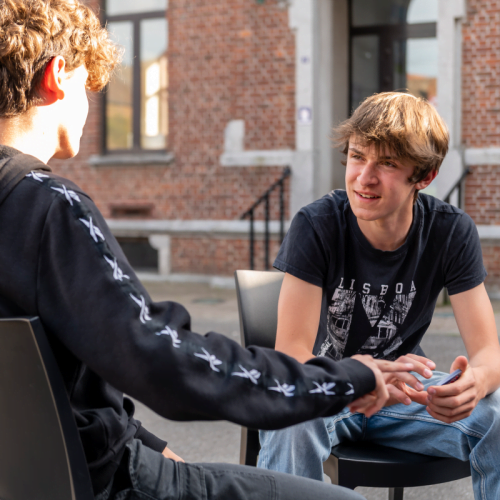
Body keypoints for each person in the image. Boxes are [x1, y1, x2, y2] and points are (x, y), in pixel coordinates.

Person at [0, 1, 418, 499]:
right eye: (88, 88)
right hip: (103, 486)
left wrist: (147, 441)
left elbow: (64, 388)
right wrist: (347, 376)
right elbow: (164, 361)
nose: (91, 108)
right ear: (56, 76)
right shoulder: (49, 207)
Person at [257, 92, 500, 500]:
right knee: (291, 417)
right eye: (357, 156)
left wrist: (473, 384)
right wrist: (361, 375)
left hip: (404, 399)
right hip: (326, 392)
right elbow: (292, 356)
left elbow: (489, 352)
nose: (363, 177)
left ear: (424, 176)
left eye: (386, 163)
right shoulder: (317, 224)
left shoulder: (450, 231)